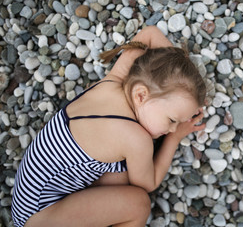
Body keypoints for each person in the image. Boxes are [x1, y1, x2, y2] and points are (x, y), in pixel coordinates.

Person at [11, 26, 207, 227]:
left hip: (27, 202)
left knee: (120, 173)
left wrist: (181, 72)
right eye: (172, 120)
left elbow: (149, 34)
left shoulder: (113, 81)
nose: (173, 128)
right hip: (41, 216)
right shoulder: (135, 139)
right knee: (138, 204)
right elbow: (149, 183)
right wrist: (174, 139)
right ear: (140, 95)